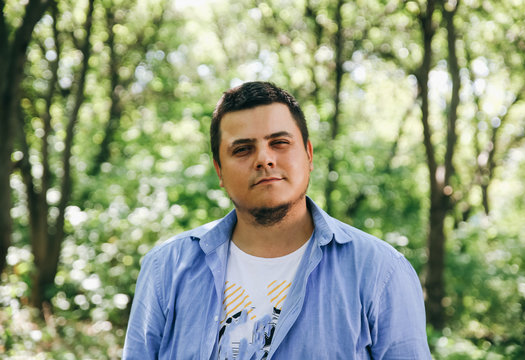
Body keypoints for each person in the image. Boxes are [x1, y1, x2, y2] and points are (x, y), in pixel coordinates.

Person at [122, 81, 431, 359]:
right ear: (219, 171)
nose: (264, 159)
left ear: (309, 155)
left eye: (279, 143)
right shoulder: (167, 268)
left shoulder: (381, 272)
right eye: (243, 149)